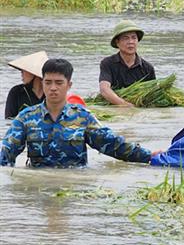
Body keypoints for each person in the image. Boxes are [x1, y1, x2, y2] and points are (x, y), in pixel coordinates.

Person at [0, 59, 154, 168]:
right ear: (43, 83)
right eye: (48, 82)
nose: (53, 88)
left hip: (74, 189)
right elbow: (6, 155)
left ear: (69, 85)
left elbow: (114, 145)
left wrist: (150, 156)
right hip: (39, 189)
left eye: (59, 83)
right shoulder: (26, 118)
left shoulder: (82, 117)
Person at [99, 20, 156, 107]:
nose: (131, 42)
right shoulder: (108, 63)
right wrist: (125, 105)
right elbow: (104, 90)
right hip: (115, 106)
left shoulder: (147, 68)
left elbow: (152, 95)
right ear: (117, 42)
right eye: (126, 38)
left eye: (134, 38)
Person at [4, 51, 48, 119]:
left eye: (24, 70)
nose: (21, 73)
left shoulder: (50, 92)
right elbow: (9, 119)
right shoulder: (16, 92)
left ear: (34, 74)